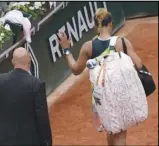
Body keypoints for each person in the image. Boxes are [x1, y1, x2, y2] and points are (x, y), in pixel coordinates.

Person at [57, 8, 142, 146]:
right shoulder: (123, 42)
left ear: (95, 26)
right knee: (120, 133)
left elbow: (76, 69)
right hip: (121, 92)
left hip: (102, 96)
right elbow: (138, 64)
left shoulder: (88, 47)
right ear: (110, 24)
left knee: (110, 130)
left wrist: (66, 49)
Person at [0, 47, 52, 146]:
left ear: (12, 61)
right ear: (29, 61)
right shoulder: (36, 84)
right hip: (29, 141)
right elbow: (42, 118)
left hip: (2, 140)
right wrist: (47, 141)